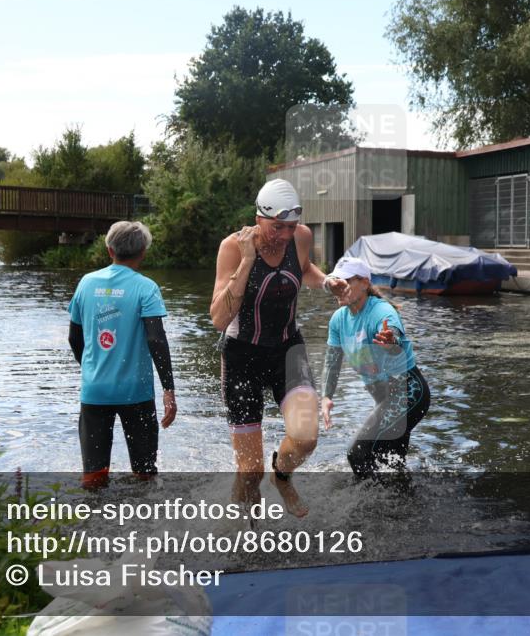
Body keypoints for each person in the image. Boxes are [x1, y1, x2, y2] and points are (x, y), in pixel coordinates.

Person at [211, 179, 348, 517]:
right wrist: (245, 263)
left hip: (288, 350)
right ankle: (243, 537)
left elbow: (303, 269)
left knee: (306, 437)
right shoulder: (232, 247)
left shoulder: (300, 237)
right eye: (278, 227)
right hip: (242, 355)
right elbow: (218, 317)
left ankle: (282, 476)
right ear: (259, 218)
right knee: (249, 473)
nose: (286, 234)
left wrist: (327, 281)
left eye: (291, 226)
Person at [67, 221, 177, 489]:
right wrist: (168, 389)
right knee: (145, 475)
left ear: (109, 250)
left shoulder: (86, 283)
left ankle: (91, 523)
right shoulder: (146, 287)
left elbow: (74, 338)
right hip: (135, 393)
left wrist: (91, 369)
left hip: (95, 392)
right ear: (143, 253)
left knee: (94, 477)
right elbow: (156, 339)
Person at [320, 256, 431, 479]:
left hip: (408, 394)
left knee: (358, 453)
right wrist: (326, 396)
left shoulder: (380, 311)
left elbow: (394, 334)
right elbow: (332, 361)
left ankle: (367, 507)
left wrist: (391, 340)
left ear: (364, 283)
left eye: (347, 281)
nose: (340, 288)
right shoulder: (338, 320)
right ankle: (403, 506)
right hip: (385, 398)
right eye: (337, 283)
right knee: (389, 462)